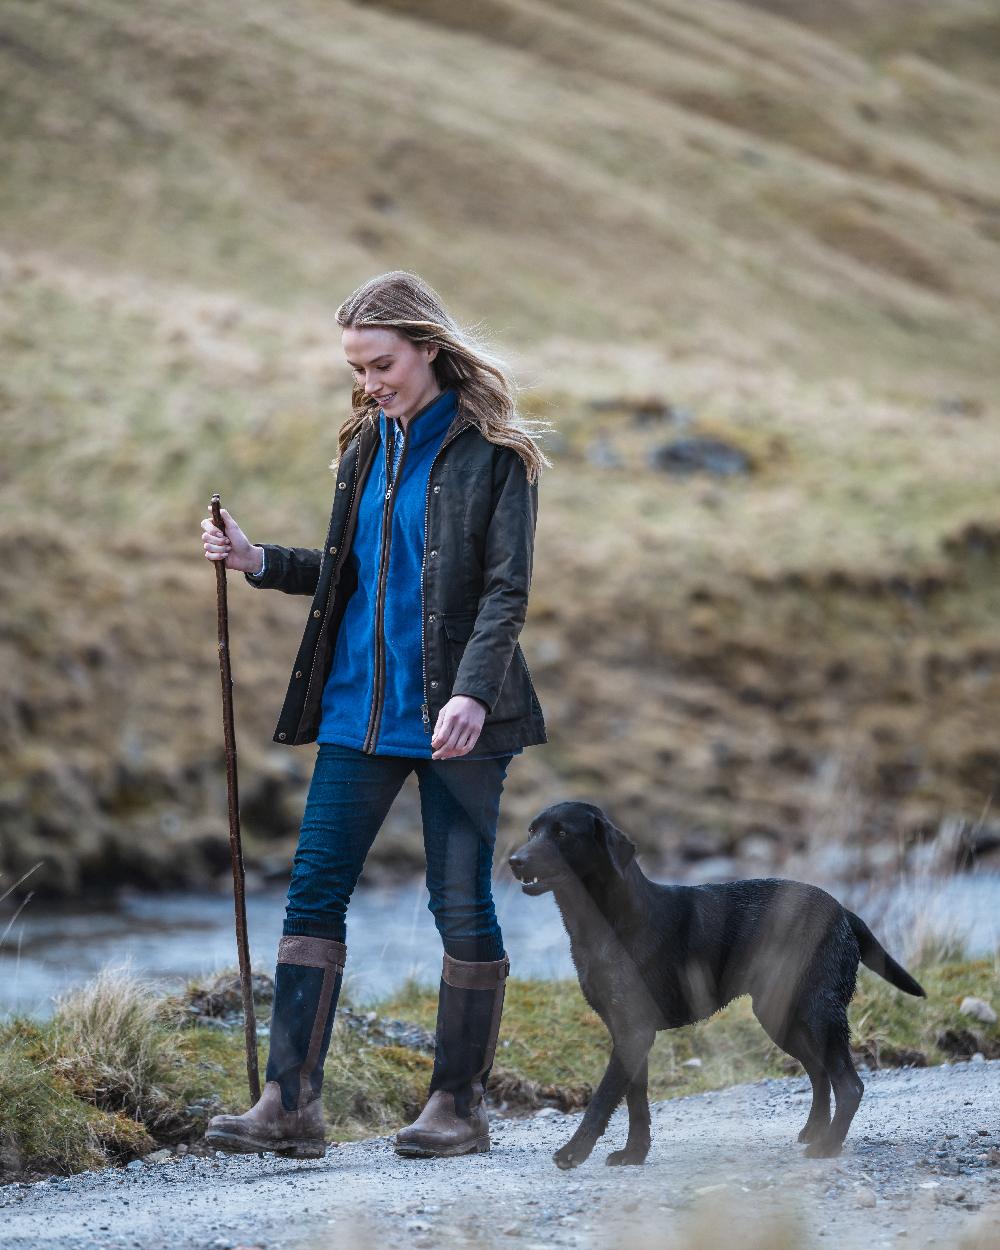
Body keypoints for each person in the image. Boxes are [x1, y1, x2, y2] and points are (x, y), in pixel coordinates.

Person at [198, 270, 551, 1160]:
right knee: (315, 890)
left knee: (457, 899)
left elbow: (506, 593)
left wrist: (472, 690)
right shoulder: (366, 446)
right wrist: (257, 559)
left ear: (428, 348)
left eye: (381, 364)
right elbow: (349, 570)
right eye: (357, 368)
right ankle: (289, 1104)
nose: (369, 383)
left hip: (460, 718)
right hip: (358, 711)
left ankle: (458, 1104)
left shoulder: (493, 454)